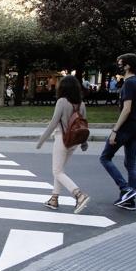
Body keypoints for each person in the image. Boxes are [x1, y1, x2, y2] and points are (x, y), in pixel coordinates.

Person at [36, 75, 90, 214]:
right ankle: (54, 199)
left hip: (62, 139)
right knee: (60, 170)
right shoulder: (81, 104)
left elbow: (53, 123)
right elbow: (83, 124)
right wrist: (84, 142)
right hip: (75, 141)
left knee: (57, 171)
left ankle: (79, 195)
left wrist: (41, 140)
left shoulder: (62, 102)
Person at [99, 53, 136, 211]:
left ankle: (125, 188)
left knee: (105, 157)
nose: (118, 66)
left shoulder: (129, 83)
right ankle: (129, 200)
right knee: (130, 163)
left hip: (126, 127)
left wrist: (114, 130)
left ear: (127, 66)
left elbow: (126, 109)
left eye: (120, 63)